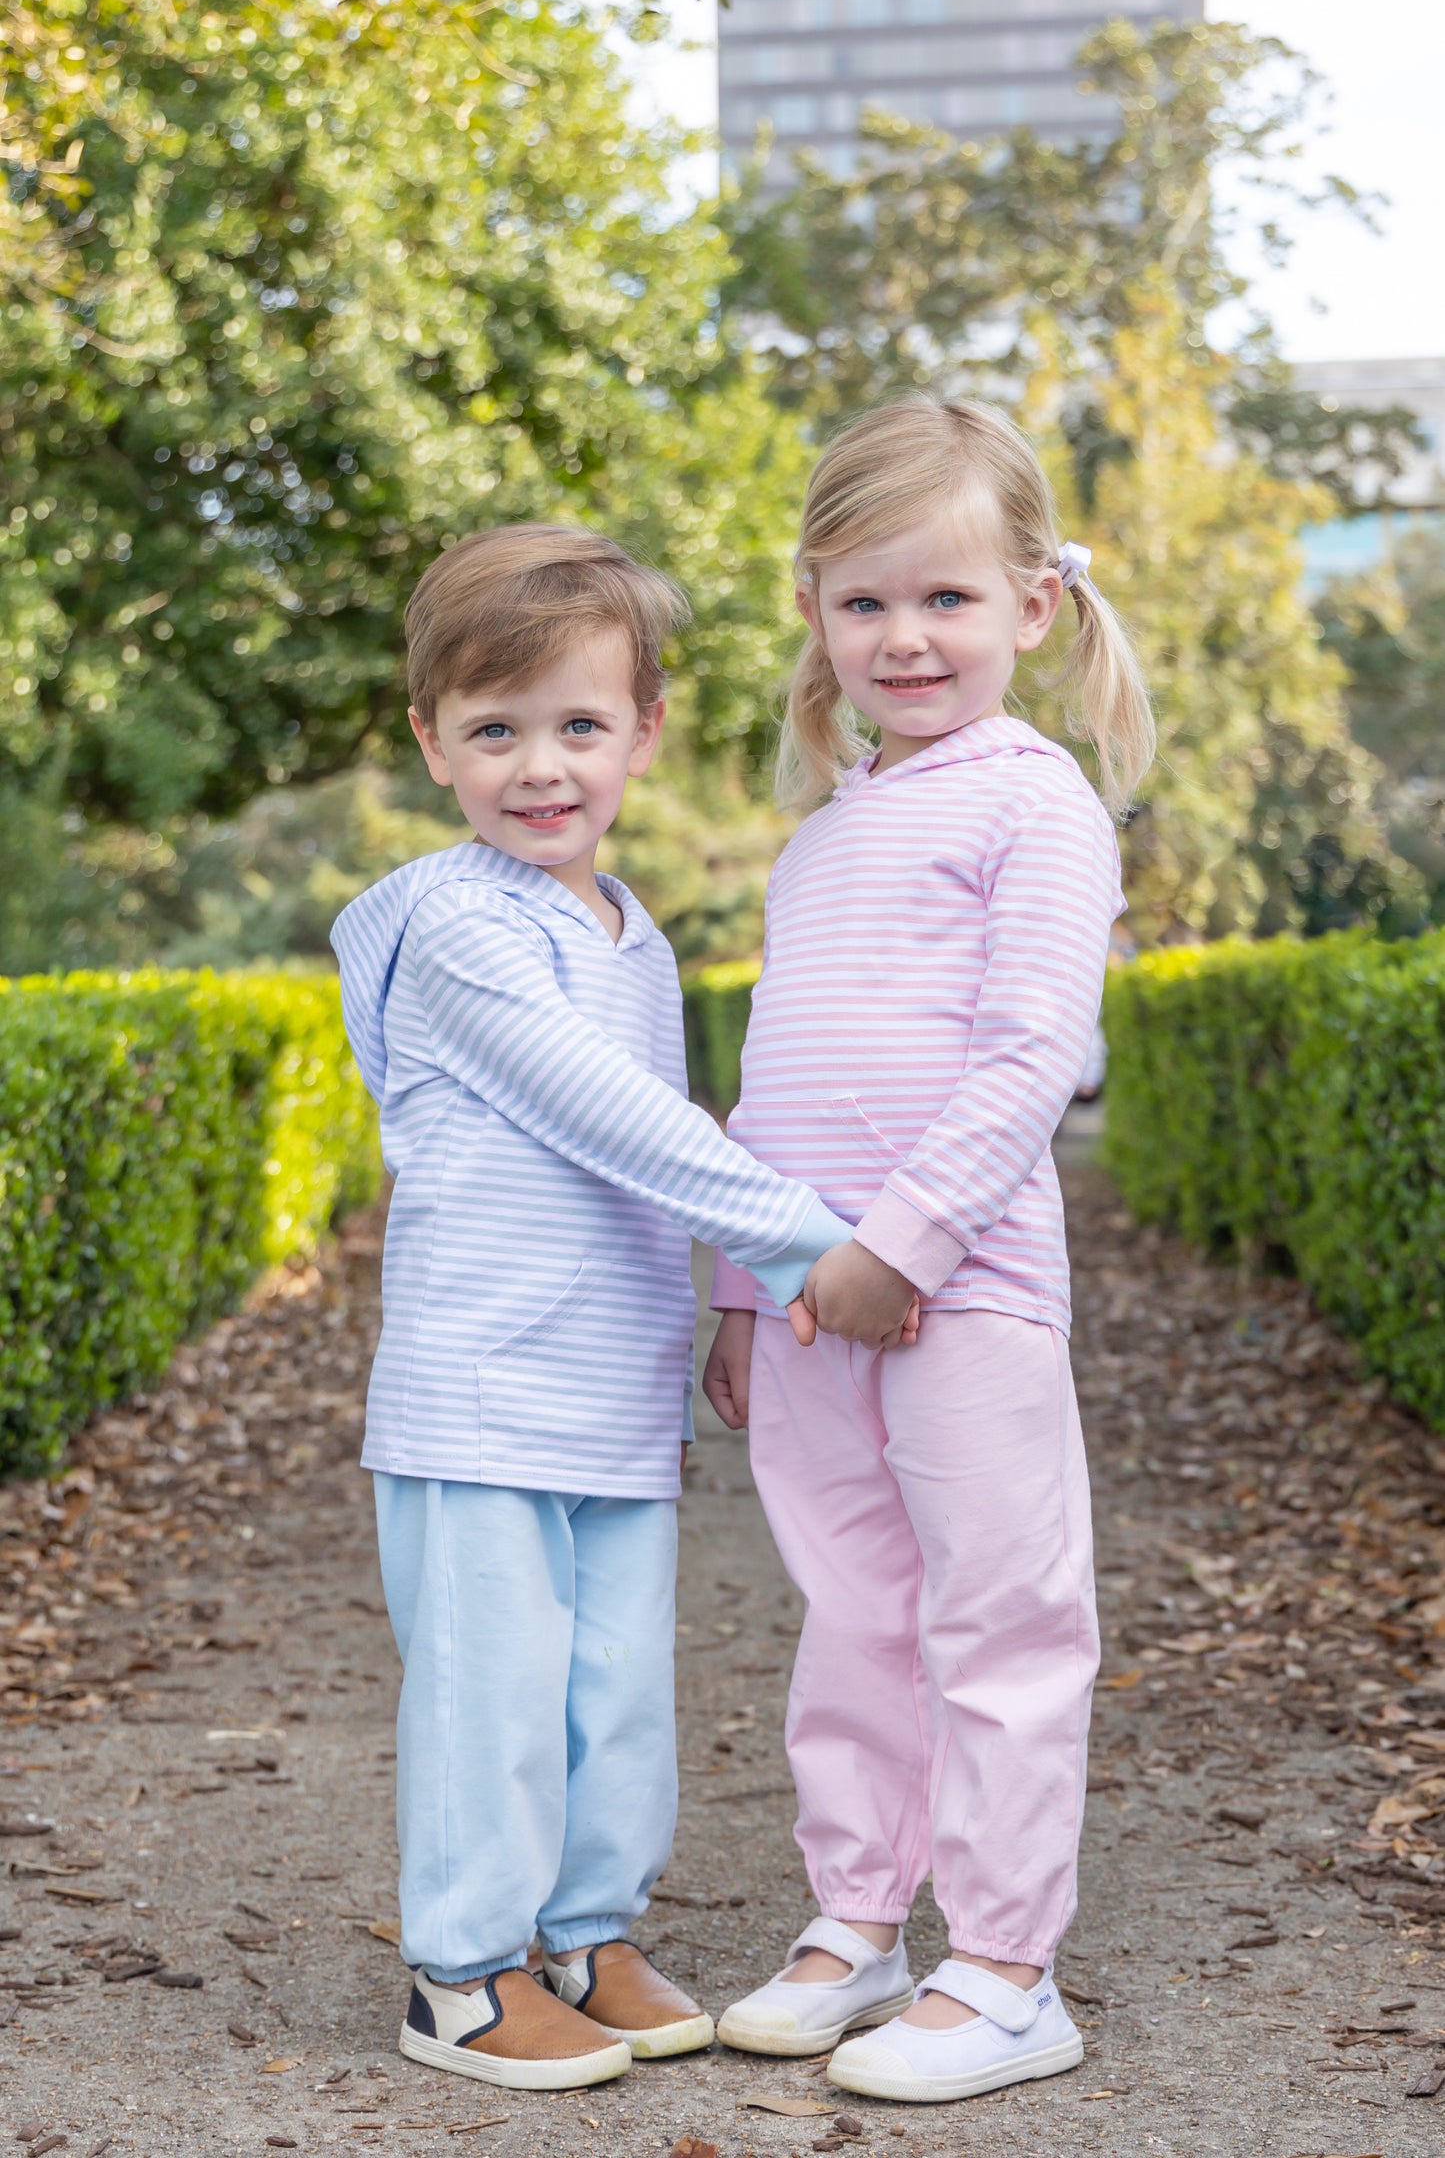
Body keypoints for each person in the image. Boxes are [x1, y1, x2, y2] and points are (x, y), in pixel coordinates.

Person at [330, 524, 891, 2093]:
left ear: (643, 729)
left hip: (609, 1387)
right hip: (481, 1391)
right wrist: (809, 1250)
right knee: (491, 1694)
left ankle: (585, 1935)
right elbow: (616, 1120)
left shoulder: (629, 931)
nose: (539, 767)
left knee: (614, 1691)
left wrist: (733, 1293)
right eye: (493, 730)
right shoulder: (459, 926)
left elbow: (670, 1133)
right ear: (431, 740)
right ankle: (462, 1971)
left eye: (578, 724)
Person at [702, 397, 1155, 2105]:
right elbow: (774, 1087)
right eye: (866, 601)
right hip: (809, 1308)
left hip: (961, 1291)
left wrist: (899, 1247)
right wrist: (745, 1288)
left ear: (1032, 606)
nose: (904, 637)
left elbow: (1032, 1055)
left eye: (946, 598)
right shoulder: (822, 832)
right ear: (813, 611)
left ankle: (1008, 1969)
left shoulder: (1037, 804)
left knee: (999, 1619)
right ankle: (858, 1922)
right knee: (853, 1615)